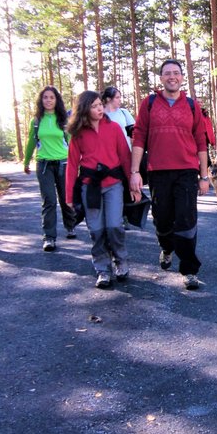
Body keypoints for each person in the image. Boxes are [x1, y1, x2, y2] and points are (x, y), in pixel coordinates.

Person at [129, 59, 209, 291]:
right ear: (161, 78)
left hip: (186, 171)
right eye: (167, 73)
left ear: (182, 78)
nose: (172, 77)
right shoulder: (149, 103)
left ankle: (189, 269)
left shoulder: (192, 106)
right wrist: (135, 172)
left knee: (186, 220)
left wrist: (204, 176)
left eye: (176, 73)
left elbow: (201, 142)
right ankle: (166, 246)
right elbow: (139, 139)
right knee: (163, 220)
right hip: (158, 171)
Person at [65, 90, 137, 289]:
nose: (99, 109)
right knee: (96, 230)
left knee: (114, 226)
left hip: (113, 184)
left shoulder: (113, 127)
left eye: (100, 105)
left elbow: (125, 157)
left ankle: (120, 261)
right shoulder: (78, 134)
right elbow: (72, 165)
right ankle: (102, 270)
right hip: (90, 187)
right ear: (84, 110)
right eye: (95, 106)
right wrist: (69, 195)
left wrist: (132, 183)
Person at [23, 86, 76, 251]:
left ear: (56, 100)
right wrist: (26, 161)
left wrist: (77, 163)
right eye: (45, 97)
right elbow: (32, 142)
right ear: (41, 100)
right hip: (44, 164)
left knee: (65, 198)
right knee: (49, 201)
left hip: (63, 163)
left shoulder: (63, 120)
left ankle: (70, 226)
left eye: (51, 97)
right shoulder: (36, 121)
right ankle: (49, 237)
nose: (48, 100)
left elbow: (72, 142)